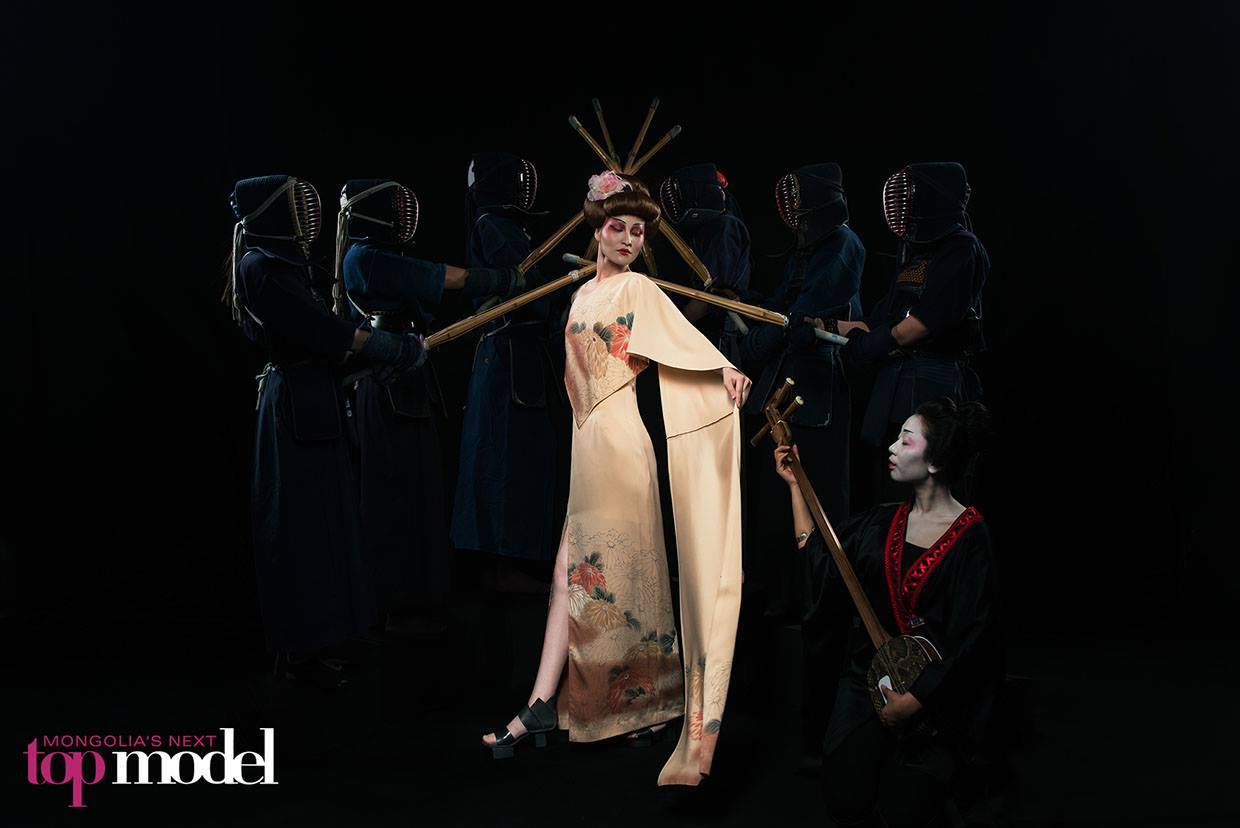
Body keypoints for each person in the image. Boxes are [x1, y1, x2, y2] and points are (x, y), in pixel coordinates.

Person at [481, 172, 751, 787]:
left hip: (621, 447)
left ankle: (563, 708)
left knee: (595, 579)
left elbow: (683, 341)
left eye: (638, 231)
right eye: (617, 226)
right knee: (573, 578)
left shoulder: (639, 288)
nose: (628, 238)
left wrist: (724, 370)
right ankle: (561, 706)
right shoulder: (582, 296)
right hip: (589, 448)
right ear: (597, 230)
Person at [225, 175, 424, 686]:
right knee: (299, 529)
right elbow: (320, 331)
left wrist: (371, 362)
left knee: (330, 522)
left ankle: (330, 635)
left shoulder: (289, 269)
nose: (305, 216)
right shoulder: (259, 268)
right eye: (294, 206)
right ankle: (300, 649)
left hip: (317, 400)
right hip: (292, 407)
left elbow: (325, 345)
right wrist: (380, 347)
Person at [773, 398, 1002, 827]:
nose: (892, 448)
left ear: (935, 462)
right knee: (845, 802)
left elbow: (975, 639)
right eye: (896, 438)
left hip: (936, 695)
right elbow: (819, 557)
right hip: (869, 684)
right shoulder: (880, 523)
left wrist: (914, 702)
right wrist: (793, 485)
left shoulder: (972, 538)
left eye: (906, 440)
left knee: (904, 811)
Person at [335, 178, 523, 635]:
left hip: (407, 385)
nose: (404, 217)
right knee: (392, 497)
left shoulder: (376, 256)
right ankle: (394, 607)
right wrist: (497, 279)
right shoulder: (366, 258)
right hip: (384, 387)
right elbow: (442, 277)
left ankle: (421, 600)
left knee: (419, 491)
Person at [739, 163, 866, 760]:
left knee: (816, 494)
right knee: (776, 492)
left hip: (816, 388)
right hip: (782, 381)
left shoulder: (843, 245)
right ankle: (783, 595)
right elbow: (784, 306)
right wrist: (759, 321)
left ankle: (817, 596)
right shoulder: (805, 250)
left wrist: (781, 329)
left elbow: (809, 309)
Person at [844, 162, 988, 503]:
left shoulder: (962, 248)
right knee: (890, 487)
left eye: (912, 195)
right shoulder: (916, 253)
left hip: (932, 381)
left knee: (923, 487)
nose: (904, 205)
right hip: (896, 381)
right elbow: (879, 320)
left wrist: (872, 343)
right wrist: (818, 325)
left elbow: (921, 324)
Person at [451, 153, 563, 570]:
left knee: (523, 457)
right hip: (505, 356)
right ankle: (500, 564)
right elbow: (528, 288)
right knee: (502, 457)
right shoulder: (492, 225)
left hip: (522, 350)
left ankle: (519, 560)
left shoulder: (508, 226)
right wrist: (561, 304)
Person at [657, 162, 753, 362]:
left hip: (720, 331)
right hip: (705, 327)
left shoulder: (725, 227)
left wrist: (674, 329)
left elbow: (712, 296)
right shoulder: (706, 229)